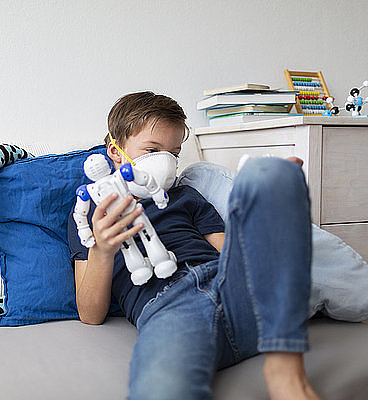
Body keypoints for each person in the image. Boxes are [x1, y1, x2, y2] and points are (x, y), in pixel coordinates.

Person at [66, 91, 322, 400]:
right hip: (168, 307)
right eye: (152, 150)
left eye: (173, 153)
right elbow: (89, 314)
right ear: (116, 152)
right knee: (160, 388)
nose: (165, 161)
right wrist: (103, 250)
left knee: (270, 175)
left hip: (228, 286)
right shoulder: (93, 213)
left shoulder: (186, 196)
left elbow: (232, 255)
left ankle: (285, 368)